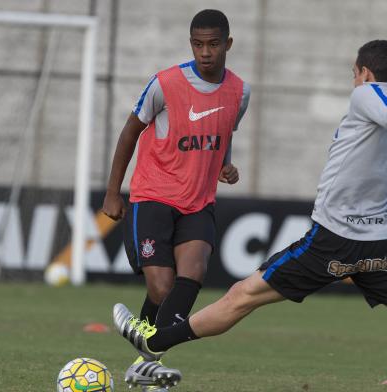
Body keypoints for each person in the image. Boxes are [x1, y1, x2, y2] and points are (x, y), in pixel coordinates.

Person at [113, 39, 387, 369]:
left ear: (367, 74)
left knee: (242, 297)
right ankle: (153, 346)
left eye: (354, 74)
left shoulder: (367, 94)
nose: (354, 82)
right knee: (239, 295)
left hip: (334, 239)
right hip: (378, 243)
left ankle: (152, 344)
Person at [103, 9, 250, 390]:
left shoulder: (240, 91)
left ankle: (145, 358)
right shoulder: (165, 83)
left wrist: (226, 164)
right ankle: (146, 354)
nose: (205, 52)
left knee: (194, 274)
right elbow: (129, 132)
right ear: (191, 45)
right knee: (161, 289)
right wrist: (112, 191)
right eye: (198, 44)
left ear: (228, 45)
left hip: (199, 201)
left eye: (213, 44)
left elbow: (224, 131)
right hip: (153, 195)